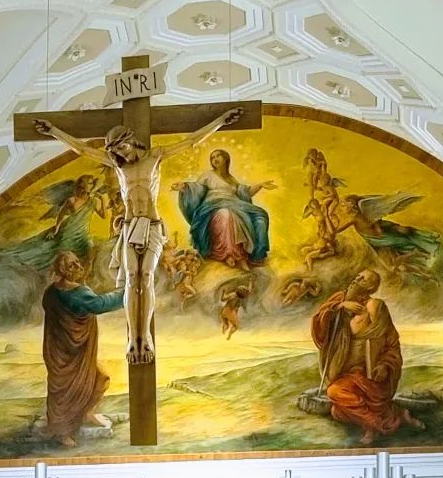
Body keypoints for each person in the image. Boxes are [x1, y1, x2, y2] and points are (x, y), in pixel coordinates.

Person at [34, 107, 242, 364]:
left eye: (123, 147)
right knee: (132, 279)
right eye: (116, 151)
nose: (121, 154)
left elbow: (191, 141)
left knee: (145, 278)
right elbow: (83, 150)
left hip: (152, 225)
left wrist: (220, 121)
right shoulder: (117, 166)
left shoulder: (154, 156)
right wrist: (54, 131)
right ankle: (134, 338)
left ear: (131, 139)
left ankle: (147, 337)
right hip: (131, 227)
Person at [310, 269, 423, 445]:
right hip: (347, 373)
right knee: (336, 412)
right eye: (357, 276)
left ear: (370, 287)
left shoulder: (375, 306)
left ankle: (372, 426)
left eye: (362, 279)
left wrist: (385, 365)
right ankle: (395, 416)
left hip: (370, 375)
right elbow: (319, 324)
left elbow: (392, 344)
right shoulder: (341, 302)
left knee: (334, 392)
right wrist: (340, 307)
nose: (356, 279)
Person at [39, 252, 124, 449]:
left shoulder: (52, 291)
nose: (78, 266)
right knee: (66, 393)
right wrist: (126, 292)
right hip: (67, 354)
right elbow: (100, 304)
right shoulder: (76, 294)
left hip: (66, 350)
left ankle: (86, 413)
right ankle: (62, 432)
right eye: (71, 265)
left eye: (78, 262)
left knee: (99, 381)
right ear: (62, 270)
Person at [174, 149, 275, 271]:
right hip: (212, 207)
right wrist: (185, 187)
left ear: (226, 159)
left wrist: (260, 185)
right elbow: (196, 189)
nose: (215, 159)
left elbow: (245, 192)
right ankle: (230, 254)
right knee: (225, 214)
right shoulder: (208, 175)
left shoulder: (231, 179)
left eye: (218, 156)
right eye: (212, 157)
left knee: (260, 216)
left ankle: (255, 255)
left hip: (235, 205)